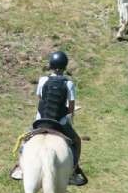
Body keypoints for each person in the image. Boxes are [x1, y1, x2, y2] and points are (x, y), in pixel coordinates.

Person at [11, 51, 87, 186]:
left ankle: (20, 168)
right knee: (77, 141)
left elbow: (41, 100)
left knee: (25, 139)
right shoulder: (69, 84)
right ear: (65, 66)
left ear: (51, 65)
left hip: (41, 120)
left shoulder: (43, 80)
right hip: (59, 123)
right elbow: (70, 108)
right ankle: (74, 171)